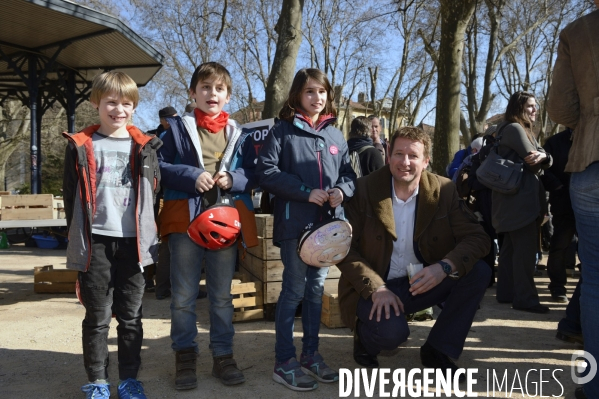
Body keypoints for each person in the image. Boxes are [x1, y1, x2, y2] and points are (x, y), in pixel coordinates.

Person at [336, 126, 490, 378]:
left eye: (413, 156)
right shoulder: (363, 189)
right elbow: (343, 248)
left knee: (478, 271)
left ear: (426, 161)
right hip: (373, 286)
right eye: (398, 154)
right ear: (388, 154)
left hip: (420, 282)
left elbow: (478, 238)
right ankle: (365, 337)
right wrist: (377, 288)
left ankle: (438, 349)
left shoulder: (444, 190)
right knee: (392, 335)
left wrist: (445, 267)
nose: (404, 162)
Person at [62, 71, 162, 399]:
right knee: (98, 316)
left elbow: (154, 194)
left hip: (134, 243)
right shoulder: (81, 146)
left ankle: (129, 379)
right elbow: (70, 196)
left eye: (126, 103)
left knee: (131, 316)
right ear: (96, 103)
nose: (119, 109)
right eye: (111, 102)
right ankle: (98, 382)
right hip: (97, 242)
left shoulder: (146, 147)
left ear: (134, 107)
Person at [158, 62, 257, 390]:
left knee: (221, 295)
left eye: (219, 89)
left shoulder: (239, 134)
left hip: (224, 223)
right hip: (184, 222)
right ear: (192, 93)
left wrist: (233, 178)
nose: (211, 93)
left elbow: (251, 173)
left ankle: (223, 356)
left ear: (227, 96)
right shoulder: (174, 129)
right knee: (183, 295)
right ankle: (185, 357)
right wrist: (191, 175)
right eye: (205, 87)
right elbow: (158, 165)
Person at [256, 68, 356, 391]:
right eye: (310, 92)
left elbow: (350, 175)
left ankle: (311, 355)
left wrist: (342, 190)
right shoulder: (281, 131)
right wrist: (303, 192)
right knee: (294, 291)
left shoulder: (336, 136)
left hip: (328, 229)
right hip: (295, 228)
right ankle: (284, 361)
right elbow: (265, 172)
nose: (317, 98)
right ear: (298, 95)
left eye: (322, 92)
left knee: (315, 291)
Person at [547, 4, 599, 398]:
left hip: (591, 160)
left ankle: (594, 384)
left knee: (595, 279)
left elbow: (562, 107)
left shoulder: (578, 32)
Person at [492, 91, 552, 314]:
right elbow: (535, 162)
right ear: (518, 108)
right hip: (521, 203)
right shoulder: (516, 129)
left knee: (509, 250)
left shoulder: (505, 128)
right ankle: (525, 299)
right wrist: (545, 157)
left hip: (508, 201)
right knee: (525, 252)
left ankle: (506, 293)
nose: (535, 110)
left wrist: (544, 155)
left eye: (535, 106)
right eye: (530, 106)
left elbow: (540, 155)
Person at [540, 128, 576, 303]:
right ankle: (557, 286)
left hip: (591, 203)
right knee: (559, 245)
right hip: (564, 203)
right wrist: (558, 187)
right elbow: (544, 170)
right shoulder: (555, 142)